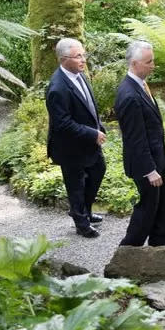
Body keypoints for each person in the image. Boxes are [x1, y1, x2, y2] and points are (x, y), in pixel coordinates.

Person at [114, 40, 165, 248]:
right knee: (148, 205)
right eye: (149, 62)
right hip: (145, 164)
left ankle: (160, 240)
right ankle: (129, 247)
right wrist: (149, 170)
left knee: (162, 201)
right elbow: (135, 139)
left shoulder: (141, 85)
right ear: (135, 64)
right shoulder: (129, 95)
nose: (153, 65)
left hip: (156, 158)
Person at [46, 37, 107, 238]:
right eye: (78, 56)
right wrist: (93, 133)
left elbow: (88, 106)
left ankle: (85, 211)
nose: (83, 60)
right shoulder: (57, 88)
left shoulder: (78, 75)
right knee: (76, 185)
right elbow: (62, 124)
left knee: (98, 171)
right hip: (70, 147)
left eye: (83, 54)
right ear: (64, 59)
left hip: (88, 142)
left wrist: (99, 126)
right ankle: (82, 224)